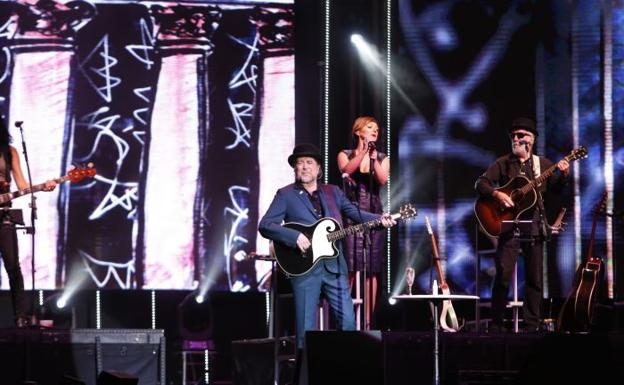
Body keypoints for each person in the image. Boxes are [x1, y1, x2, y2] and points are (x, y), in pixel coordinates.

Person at [258, 143, 396, 349]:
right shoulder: (286, 195)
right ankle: (306, 376)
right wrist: (293, 236)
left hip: (335, 267)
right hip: (304, 268)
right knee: (305, 328)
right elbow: (265, 225)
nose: (304, 167)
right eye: (299, 163)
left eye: (309, 162)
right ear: (294, 169)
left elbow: (356, 215)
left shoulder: (334, 192)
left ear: (318, 169)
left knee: (349, 323)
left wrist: (380, 219)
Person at [475, 117, 569, 333]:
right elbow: (480, 183)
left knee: (535, 279)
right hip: (508, 226)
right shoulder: (503, 163)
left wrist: (563, 174)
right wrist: (497, 194)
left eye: (521, 135)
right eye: (513, 136)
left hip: (534, 226)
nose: (515, 139)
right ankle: (497, 325)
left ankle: (531, 327)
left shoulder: (543, 165)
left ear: (532, 139)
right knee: (502, 275)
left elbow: (556, 191)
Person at [0, 118, 56, 327]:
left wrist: (44, 186)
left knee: (13, 267)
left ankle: (20, 317)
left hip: (3, 215)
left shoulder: (9, 152)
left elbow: (22, 184)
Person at [337, 116, 389, 328]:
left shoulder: (383, 157)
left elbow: (383, 180)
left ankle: (368, 320)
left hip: (374, 214)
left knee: (372, 269)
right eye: (370, 128)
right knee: (350, 265)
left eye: (377, 129)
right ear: (358, 131)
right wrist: (363, 152)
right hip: (351, 215)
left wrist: (374, 158)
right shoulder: (345, 154)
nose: (375, 131)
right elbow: (347, 170)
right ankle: (345, 318)